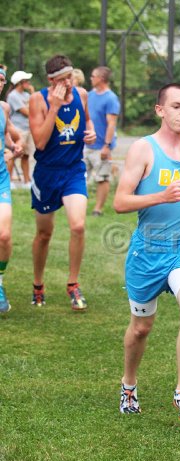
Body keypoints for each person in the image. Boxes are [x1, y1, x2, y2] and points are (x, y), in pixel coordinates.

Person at [114, 83, 180, 421]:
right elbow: (120, 202)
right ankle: (129, 384)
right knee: (141, 328)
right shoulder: (142, 150)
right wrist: (160, 196)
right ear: (160, 110)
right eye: (176, 106)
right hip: (147, 253)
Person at [28, 55, 95, 310]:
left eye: (70, 77)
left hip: (73, 170)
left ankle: (73, 284)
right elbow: (40, 142)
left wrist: (91, 132)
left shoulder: (82, 94)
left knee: (78, 226)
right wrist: (54, 108)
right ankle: (38, 284)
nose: (68, 83)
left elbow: (87, 119)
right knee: (44, 234)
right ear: (50, 80)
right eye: (62, 79)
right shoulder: (38, 100)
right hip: (47, 173)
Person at [0, 65, 24, 313]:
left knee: (4, 235)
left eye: (1, 80)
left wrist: (15, 147)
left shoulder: (4, 108)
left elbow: (11, 136)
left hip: (0, 179)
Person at [85, 66, 120, 216]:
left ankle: (97, 209)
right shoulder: (89, 95)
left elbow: (111, 124)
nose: (91, 78)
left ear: (101, 79)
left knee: (102, 178)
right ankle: (78, 206)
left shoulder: (111, 98)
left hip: (101, 146)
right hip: (86, 144)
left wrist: (107, 145)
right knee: (79, 177)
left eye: (93, 76)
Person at [6, 70, 34, 187]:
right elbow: (27, 112)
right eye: (26, 81)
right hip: (18, 130)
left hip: (28, 129)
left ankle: (27, 181)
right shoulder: (13, 96)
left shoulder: (27, 95)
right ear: (20, 82)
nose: (29, 83)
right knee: (13, 155)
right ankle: (9, 181)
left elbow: (36, 107)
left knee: (26, 155)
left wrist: (32, 93)